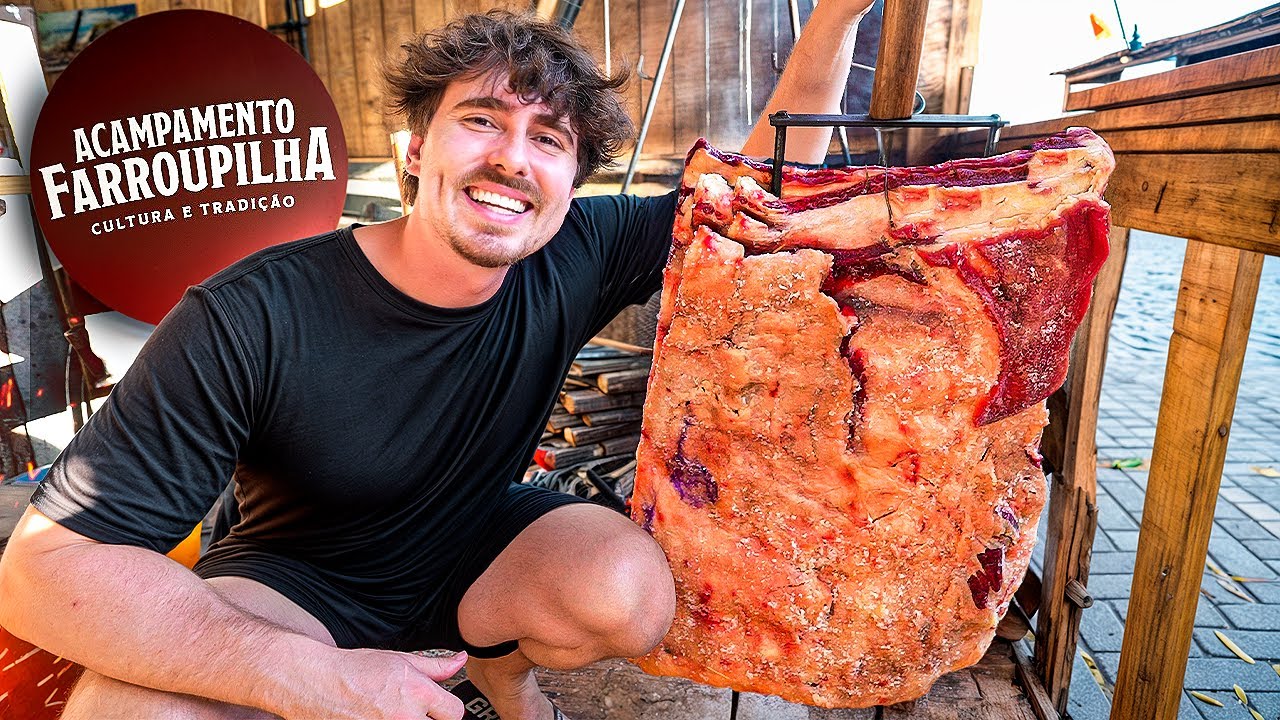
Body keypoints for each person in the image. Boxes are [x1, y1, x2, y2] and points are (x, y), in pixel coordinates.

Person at [0, 4, 874, 719]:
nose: (511, 157)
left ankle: (502, 676)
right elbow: (44, 571)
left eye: (549, 139)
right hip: (301, 580)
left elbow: (759, 182)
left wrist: (836, 15)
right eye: (481, 120)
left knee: (628, 592)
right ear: (414, 152)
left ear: (572, 183)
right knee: (132, 715)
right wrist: (303, 675)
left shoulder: (577, 249)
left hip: (475, 548)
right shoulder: (251, 314)